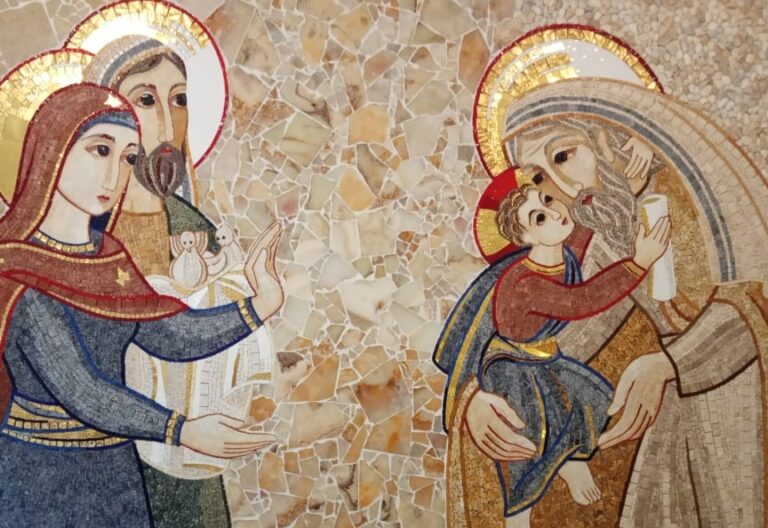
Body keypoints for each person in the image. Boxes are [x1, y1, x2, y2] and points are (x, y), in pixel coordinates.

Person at [446, 80, 768, 527]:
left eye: (564, 155)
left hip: (738, 406)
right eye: (539, 178)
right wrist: (478, 397)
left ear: (604, 136)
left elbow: (754, 302)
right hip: (674, 424)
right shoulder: (610, 219)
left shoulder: (687, 192)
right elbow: (574, 326)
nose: (563, 186)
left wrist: (669, 363)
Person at [0, 83, 283, 528]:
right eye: (100, 150)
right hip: (41, 475)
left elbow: (168, 334)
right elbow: (84, 391)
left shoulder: (107, 257)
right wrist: (183, 430)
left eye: (129, 158)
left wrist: (261, 304)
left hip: (115, 470)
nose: (115, 175)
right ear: (53, 150)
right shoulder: (20, 271)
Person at [463, 181, 670, 527]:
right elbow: (581, 300)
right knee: (529, 438)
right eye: (539, 217)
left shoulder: (560, 251)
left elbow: (588, 229)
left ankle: (571, 461)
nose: (554, 211)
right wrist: (640, 263)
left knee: (593, 398)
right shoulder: (527, 284)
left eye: (547, 199)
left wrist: (618, 190)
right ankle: (519, 512)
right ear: (526, 237)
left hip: (544, 356)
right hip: (511, 366)